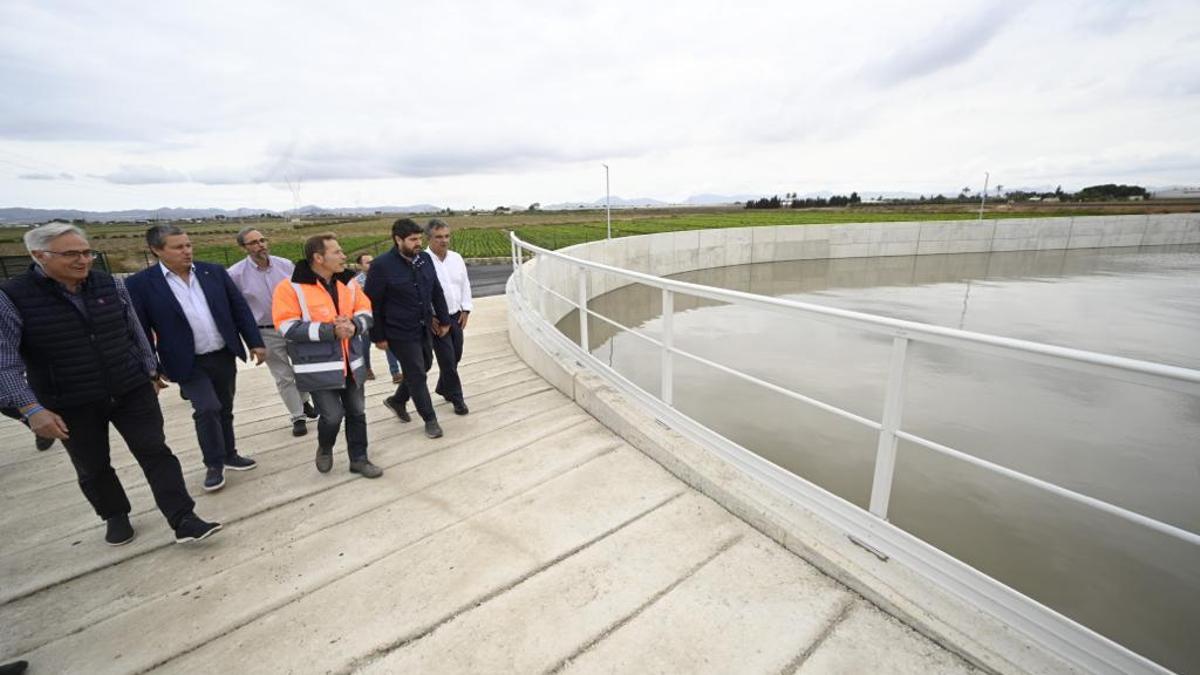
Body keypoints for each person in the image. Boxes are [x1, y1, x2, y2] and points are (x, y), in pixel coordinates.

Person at [0, 223, 220, 545]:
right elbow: (4, 361)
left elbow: (134, 331)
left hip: (130, 387)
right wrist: (31, 409)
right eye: (72, 254)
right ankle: (115, 514)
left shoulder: (108, 284)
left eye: (87, 252)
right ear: (38, 255)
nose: (83, 260)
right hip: (69, 399)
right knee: (93, 465)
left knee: (156, 451)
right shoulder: (12, 297)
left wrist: (150, 372)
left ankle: (183, 517)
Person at [126, 224, 266, 493]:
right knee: (207, 408)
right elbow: (140, 329)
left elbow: (239, 308)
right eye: (178, 247)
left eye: (188, 245)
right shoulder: (141, 284)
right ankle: (213, 463)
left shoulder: (212, 272)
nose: (187, 251)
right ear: (156, 250)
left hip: (222, 353)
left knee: (224, 407)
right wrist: (151, 367)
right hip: (185, 361)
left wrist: (255, 342)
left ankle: (229, 454)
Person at [273, 233, 382, 478]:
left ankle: (359, 459)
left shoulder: (349, 283)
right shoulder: (290, 287)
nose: (344, 256)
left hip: (350, 363)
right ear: (318, 258)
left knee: (357, 411)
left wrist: (354, 325)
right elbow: (286, 326)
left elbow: (366, 310)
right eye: (338, 252)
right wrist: (330, 331)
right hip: (317, 367)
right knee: (332, 416)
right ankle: (325, 446)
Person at [364, 218, 453, 439]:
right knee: (416, 374)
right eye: (413, 240)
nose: (418, 243)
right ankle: (430, 420)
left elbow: (436, 290)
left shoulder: (423, 259)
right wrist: (378, 336)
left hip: (423, 327)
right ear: (398, 239)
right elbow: (372, 304)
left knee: (425, 366)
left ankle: (397, 400)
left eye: (419, 239)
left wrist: (444, 320)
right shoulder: (381, 266)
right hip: (399, 331)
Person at [227, 227, 319, 437]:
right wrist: (250, 341)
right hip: (265, 331)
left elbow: (303, 291)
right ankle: (297, 416)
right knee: (283, 375)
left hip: (294, 326)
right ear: (243, 247)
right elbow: (236, 309)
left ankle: (304, 401)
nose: (261, 245)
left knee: (301, 368)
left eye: (262, 239)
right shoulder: (235, 274)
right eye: (254, 242)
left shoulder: (285, 265)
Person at [425, 219, 471, 415]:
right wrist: (430, 317)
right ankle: (457, 398)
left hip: (456, 316)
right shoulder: (422, 261)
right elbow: (420, 293)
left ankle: (443, 387)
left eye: (446, 236)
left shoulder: (456, 258)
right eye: (438, 237)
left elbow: (465, 284)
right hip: (437, 321)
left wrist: (466, 309)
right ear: (429, 238)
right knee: (447, 361)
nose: (444, 241)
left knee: (456, 355)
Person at [352, 253, 379, 382]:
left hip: (380, 314)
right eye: (368, 262)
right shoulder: (356, 282)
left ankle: (395, 371)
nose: (372, 264)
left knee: (388, 343)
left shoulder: (380, 276)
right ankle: (367, 369)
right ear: (360, 266)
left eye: (373, 261)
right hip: (366, 316)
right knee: (365, 344)